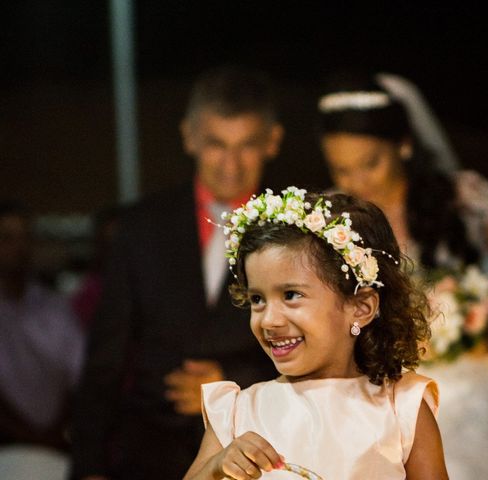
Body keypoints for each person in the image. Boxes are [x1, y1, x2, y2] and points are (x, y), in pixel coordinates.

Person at [316, 72, 488, 480]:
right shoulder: (330, 215)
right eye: (342, 170)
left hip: (465, 389)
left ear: (404, 145)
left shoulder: (463, 198)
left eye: (370, 163)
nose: (357, 181)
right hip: (371, 387)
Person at [70, 65, 284, 480]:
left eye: (247, 146)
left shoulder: (293, 227)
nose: (231, 164)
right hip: (150, 450)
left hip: (261, 449)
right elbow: (104, 360)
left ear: (272, 142)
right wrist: (89, 466)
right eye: (216, 145)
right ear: (190, 137)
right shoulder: (141, 226)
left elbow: (321, 343)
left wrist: (231, 382)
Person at [183, 187, 448, 480]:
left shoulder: (402, 409)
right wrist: (217, 467)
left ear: (360, 308)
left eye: (291, 295)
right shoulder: (235, 412)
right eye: (257, 299)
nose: (269, 320)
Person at [0, 200, 84, 475]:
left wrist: (55, 432)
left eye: (25, 237)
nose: (18, 248)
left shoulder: (54, 306)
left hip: (55, 449)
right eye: (7, 238)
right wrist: (24, 433)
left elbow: (80, 375)